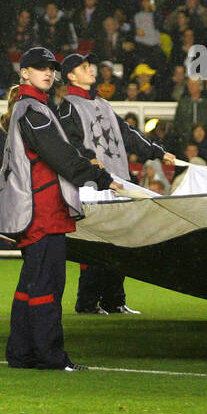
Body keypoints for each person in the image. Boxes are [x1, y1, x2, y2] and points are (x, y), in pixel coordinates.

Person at [0, 47, 122, 371]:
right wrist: (100, 176)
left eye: (50, 68)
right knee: (47, 285)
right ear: (24, 73)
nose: (47, 73)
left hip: (35, 210)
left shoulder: (30, 108)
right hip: (42, 210)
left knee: (31, 285)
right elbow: (61, 157)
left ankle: (21, 352)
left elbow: (60, 153)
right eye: (39, 68)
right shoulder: (34, 110)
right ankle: (49, 356)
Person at [57, 52, 175, 315]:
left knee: (118, 240)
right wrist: (89, 161)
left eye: (89, 65)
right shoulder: (67, 106)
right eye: (84, 67)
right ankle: (87, 301)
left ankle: (114, 300)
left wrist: (157, 152)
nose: (91, 70)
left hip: (118, 181)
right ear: (71, 76)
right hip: (91, 183)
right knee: (97, 241)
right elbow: (69, 142)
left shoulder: (103, 103)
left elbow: (127, 134)